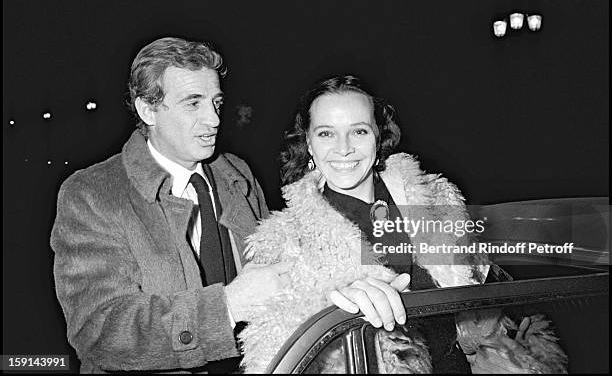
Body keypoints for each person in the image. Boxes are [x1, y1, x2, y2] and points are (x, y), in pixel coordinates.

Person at [50, 38, 407, 373]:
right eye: (194, 103)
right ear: (148, 109)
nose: (214, 120)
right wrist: (227, 306)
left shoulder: (236, 174)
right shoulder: (92, 193)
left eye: (216, 103)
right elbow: (97, 330)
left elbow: (286, 277)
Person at [239, 75, 568, 373]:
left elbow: (486, 297)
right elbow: (272, 355)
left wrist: (508, 340)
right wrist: (332, 307)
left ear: (377, 135)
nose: (343, 148)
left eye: (359, 130)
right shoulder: (283, 240)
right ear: (308, 143)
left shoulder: (439, 200)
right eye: (326, 133)